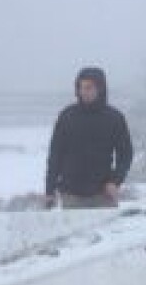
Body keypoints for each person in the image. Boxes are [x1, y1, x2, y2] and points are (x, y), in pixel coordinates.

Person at [44, 66, 133, 209]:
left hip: (104, 195)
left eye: (89, 87)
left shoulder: (114, 118)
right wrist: (49, 189)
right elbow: (55, 154)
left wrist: (115, 181)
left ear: (100, 88)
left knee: (108, 232)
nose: (83, 92)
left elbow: (126, 154)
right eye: (80, 87)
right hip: (71, 195)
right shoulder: (67, 116)